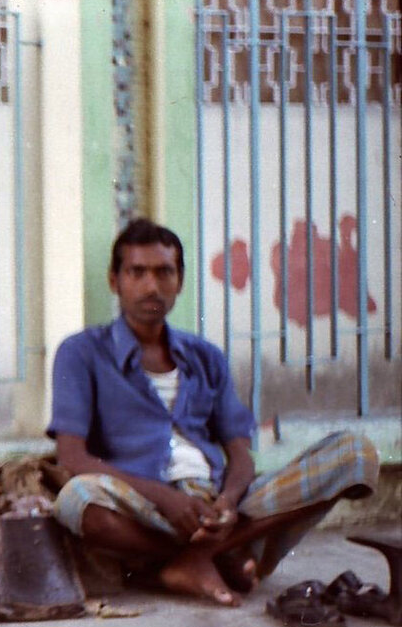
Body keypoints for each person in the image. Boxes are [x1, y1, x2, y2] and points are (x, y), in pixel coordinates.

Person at [47, 218, 379, 606]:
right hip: (143, 504)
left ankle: (196, 558)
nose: (151, 286)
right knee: (77, 498)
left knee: (354, 453)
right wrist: (167, 500)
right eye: (137, 272)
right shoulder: (82, 352)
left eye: (164, 272)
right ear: (114, 280)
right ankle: (218, 558)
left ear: (180, 281)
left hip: (219, 505)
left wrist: (228, 502)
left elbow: (239, 452)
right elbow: (72, 456)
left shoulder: (205, 356)